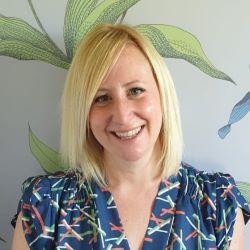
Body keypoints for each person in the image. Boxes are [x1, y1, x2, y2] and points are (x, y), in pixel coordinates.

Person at [11, 23, 249, 250]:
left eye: (136, 91)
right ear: (83, 112)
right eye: (102, 98)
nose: (123, 116)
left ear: (161, 96)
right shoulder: (45, 206)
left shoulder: (217, 205)